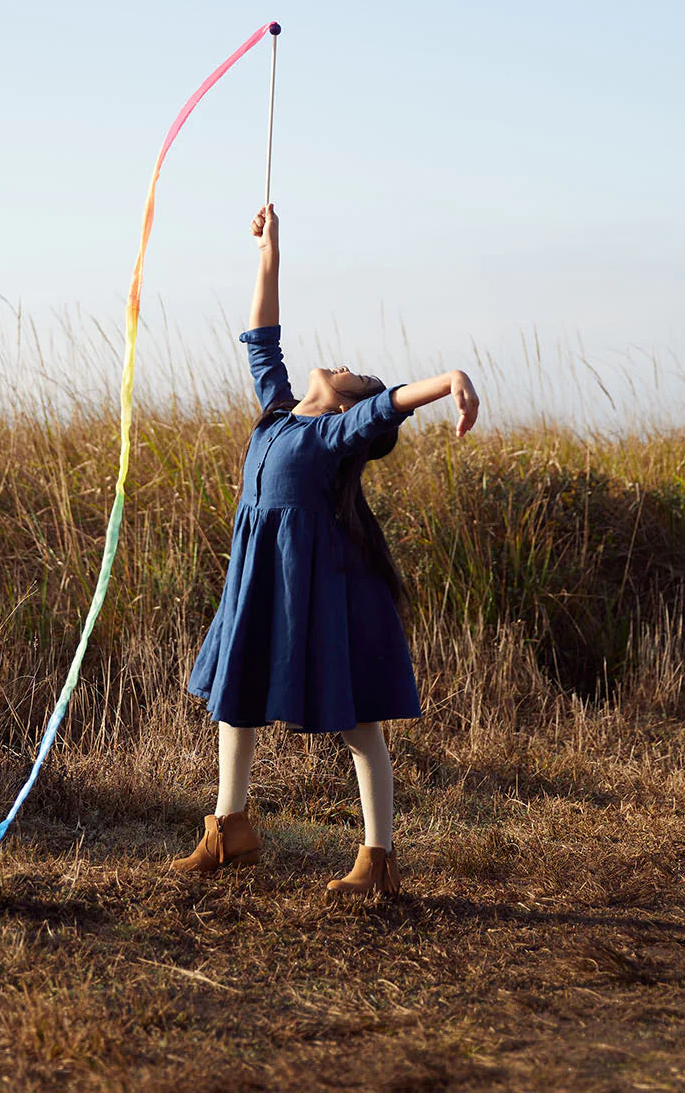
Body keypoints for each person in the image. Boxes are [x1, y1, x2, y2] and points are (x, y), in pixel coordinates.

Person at [171, 202, 479, 897]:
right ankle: (231, 828)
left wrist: (449, 380)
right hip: (257, 583)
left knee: (356, 720)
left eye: (359, 376)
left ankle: (378, 860)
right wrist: (270, 252)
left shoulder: (333, 436)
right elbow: (261, 339)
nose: (348, 366)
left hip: (309, 590)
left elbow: (389, 405)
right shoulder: (279, 413)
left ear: (348, 409)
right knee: (234, 697)